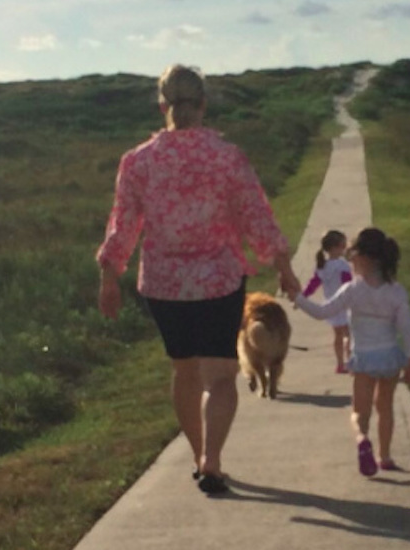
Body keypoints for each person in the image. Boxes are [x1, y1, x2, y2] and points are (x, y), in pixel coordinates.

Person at [96, 64, 301, 495]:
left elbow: (123, 224)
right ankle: (212, 460)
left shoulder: (138, 162)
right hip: (219, 283)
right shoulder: (227, 157)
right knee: (222, 377)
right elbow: (256, 215)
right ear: (203, 104)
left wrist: (109, 276)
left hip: (165, 287)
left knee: (184, 371)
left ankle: (197, 456)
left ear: (162, 105)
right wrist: (281, 264)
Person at [291, 228, 410, 476]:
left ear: (361, 258)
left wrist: (297, 297)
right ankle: (385, 456)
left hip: (363, 359)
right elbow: (408, 329)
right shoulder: (396, 292)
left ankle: (362, 440)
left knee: (360, 412)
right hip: (390, 358)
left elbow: (322, 312)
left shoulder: (353, 290)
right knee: (386, 408)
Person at [301, 230, 353, 374]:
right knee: (348, 335)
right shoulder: (343, 265)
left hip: (330, 306)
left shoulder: (322, 266)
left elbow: (313, 284)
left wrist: (303, 296)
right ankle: (351, 361)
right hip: (344, 304)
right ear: (336, 247)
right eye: (343, 245)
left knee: (337, 336)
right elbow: (348, 284)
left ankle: (340, 364)